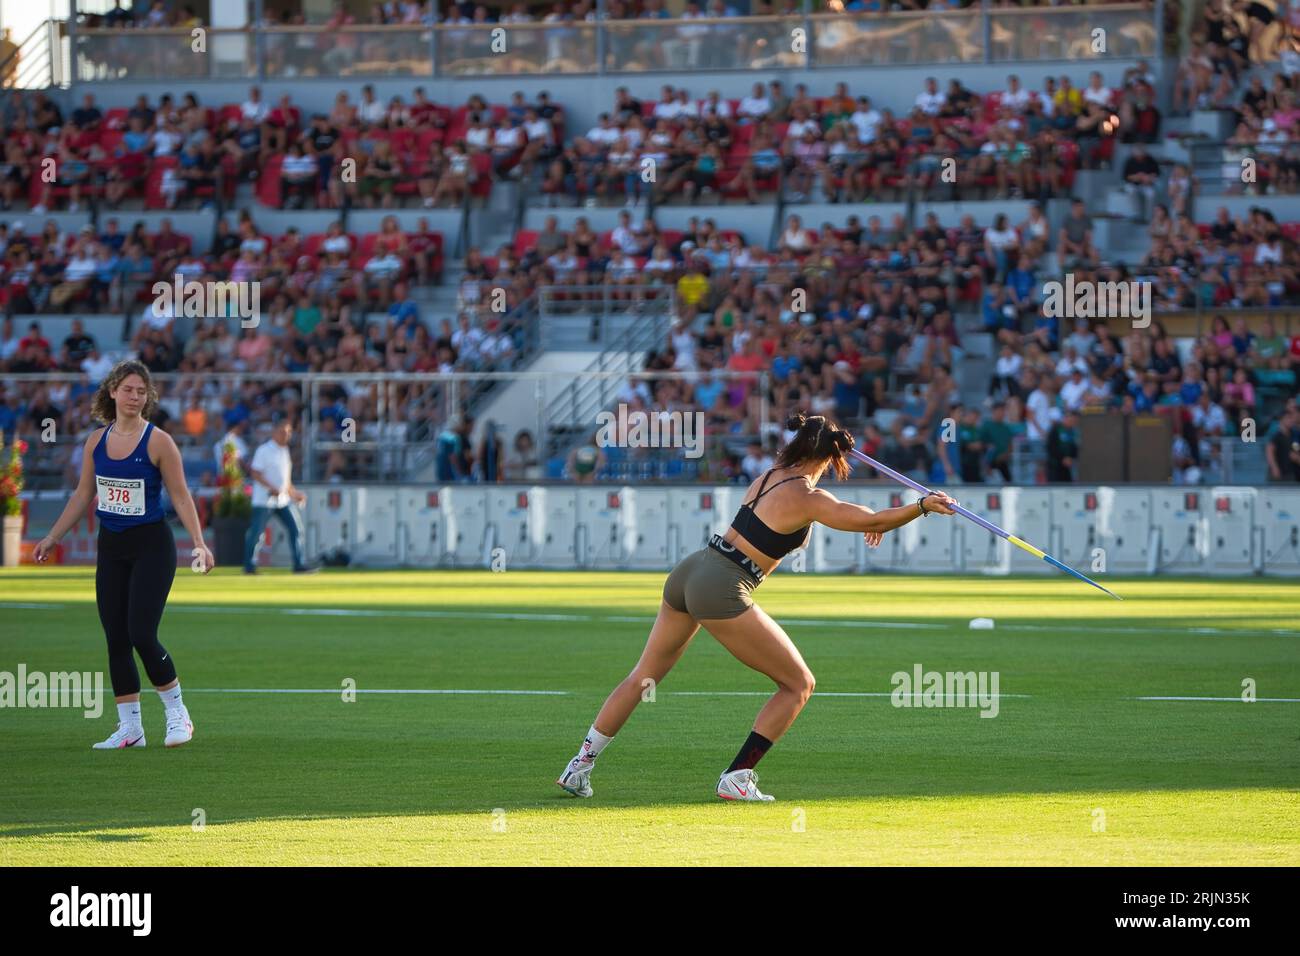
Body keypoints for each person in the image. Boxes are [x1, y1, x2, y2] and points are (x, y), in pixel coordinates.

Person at [555, 414, 956, 802]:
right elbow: (876, 519)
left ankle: (579, 766)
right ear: (832, 458)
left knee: (642, 677)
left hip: (692, 569)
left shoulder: (770, 476)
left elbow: (862, 520)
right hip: (723, 585)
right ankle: (737, 776)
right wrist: (922, 505)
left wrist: (877, 519)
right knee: (799, 685)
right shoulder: (809, 496)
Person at [33, 361, 213, 749]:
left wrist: (198, 542)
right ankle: (130, 728)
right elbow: (84, 494)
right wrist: (52, 536)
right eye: (129, 389)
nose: (135, 397)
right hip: (111, 547)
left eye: (142, 391)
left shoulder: (159, 441)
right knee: (116, 638)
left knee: (141, 634)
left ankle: (177, 714)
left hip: (152, 545)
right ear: (113, 391)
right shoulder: (96, 441)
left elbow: (180, 495)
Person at [242, 417, 313, 574]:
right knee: (257, 534)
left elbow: (285, 481)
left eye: (288, 431)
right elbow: (255, 472)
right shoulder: (264, 450)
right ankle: (249, 566)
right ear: (274, 431)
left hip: (282, 501)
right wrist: (271, 488)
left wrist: (294, 494)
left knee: (296, 529)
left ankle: (299, 564)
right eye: (282, 431)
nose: (286, 434)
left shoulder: (284, 451)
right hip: (264, 501)